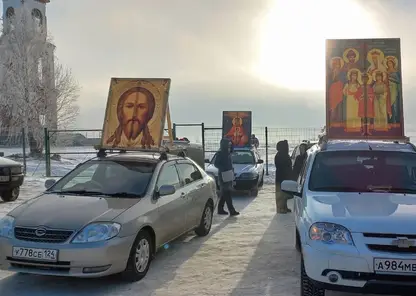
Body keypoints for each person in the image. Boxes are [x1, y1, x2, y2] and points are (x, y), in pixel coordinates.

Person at [214, 138, 239, 216]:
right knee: (227, 193)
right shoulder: (220, 153)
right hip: (223, 175)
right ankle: (231, 210)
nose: (229, 145)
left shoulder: (228, 152)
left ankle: (220, 209)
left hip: (229, 174)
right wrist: (224, 169)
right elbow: (216, 164)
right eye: (228, 144)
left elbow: (232, 149)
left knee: (225, 193)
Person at [274, 140, 292, 213]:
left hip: (285, 176)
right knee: (280, 194)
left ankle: (284, 207)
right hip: (281, 177)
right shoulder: (279, 155)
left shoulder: (284, 154)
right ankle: (280, 208)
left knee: (285, 193)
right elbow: (282, 166)